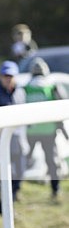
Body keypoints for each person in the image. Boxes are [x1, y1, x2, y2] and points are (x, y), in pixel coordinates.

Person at [24, 56, 68, 202]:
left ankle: (14, 192)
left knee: (23, 162)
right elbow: (60, 109)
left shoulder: (26, 87)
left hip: (31, 132)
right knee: (52, 162)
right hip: (49, 132)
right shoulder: (51, 86)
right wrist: (64, 131)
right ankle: (56, 190)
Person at [0, 61, 29, 202]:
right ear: (0, 77)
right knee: (6, 171)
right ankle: (5, 200)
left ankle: (14, 193)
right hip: (2, 139)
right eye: (5, 75)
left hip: (20, 137)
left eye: (11, 75)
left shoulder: (21, 92)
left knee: (21, 168)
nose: (8, 78)